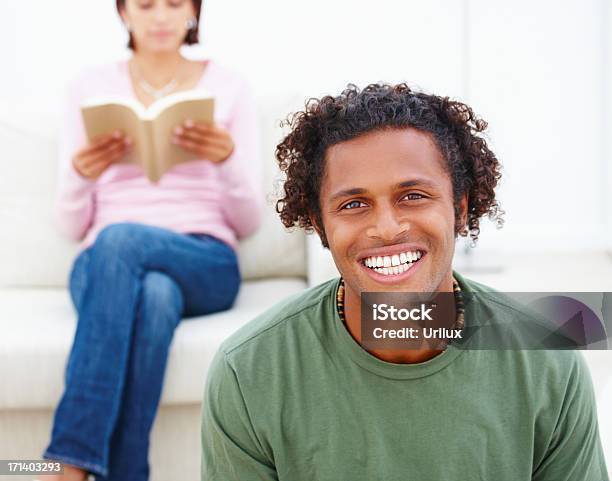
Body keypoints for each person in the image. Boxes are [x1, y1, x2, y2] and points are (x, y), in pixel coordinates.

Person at [200, 84, 609, 480]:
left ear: (460, 208)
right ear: (320, 224)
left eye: (413, 195)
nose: (387, 228)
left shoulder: (546, 355)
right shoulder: (249, 371)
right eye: (354, 204)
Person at [40, 0, 263, 480]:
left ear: (193, 10)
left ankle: (70, 461)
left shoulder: (230, 86)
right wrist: (81, 174)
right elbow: (69, 226)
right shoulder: (87, 87)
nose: (160, 16)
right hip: (104, 266)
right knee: (155, 294)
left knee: (122, 240)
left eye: (174, 3)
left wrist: (225, 161)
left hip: (204, 256)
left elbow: (249, 223)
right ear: (122, 12)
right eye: (145, 4)